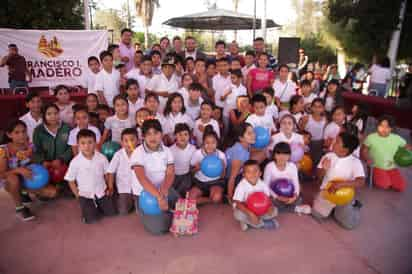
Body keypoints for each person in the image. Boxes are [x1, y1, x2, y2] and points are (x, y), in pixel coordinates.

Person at [0, 120, 57, 221]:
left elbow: (35, 164)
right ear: (9, 134)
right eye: (17, 132)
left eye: (24, 131)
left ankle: (23, 193)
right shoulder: (3, 150)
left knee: (52, 192)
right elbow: (2, 174)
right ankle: (20, 208)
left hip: (26, 179)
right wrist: (19, 170)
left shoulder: (30, 146)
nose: (21, 135)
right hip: (10, 181)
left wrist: (44, 164)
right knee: (13, 179)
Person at [131, 119, 178, 235]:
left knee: (181, 206)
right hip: (145, 194)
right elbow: (142, 178)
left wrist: (165, 189)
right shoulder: (138, 153)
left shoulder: (167, 151)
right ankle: (148, 211)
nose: (153, 137)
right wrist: (159, 197)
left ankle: (167, 211)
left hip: (163, 189)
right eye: (148, 134)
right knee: (161, 229)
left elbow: (170, 173)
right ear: (143, 137)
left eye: (156, 133)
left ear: (161, 134)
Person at [313, 132, 365, 229]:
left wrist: (341, 185)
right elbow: (319, 177)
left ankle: (354, 206)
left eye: (337, 142)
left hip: (343, 196)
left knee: (348, 225)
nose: (333, 142)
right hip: (327, 192)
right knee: (317, 215)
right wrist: (323, 169)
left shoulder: (355, 162)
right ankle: (333, 209)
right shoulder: (328, 156)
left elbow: (361, 182)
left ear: (345, 149)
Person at [65, 129, 117, 224]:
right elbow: (70, 180)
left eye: (90, 142)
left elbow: (107, 174)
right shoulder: (75, 162)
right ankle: (88, 210)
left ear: (95, 142)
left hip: (101, 191)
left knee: (111, 213)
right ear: (78, 145)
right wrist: (78, 195)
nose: (87, 146)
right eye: (83, 143)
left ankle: (98, 205)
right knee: (92, 220)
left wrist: (109, 187)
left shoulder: (102, 158)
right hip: (85, 194)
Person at [362, 115, 411, 192]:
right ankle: (376, 177)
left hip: (392, 167)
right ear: (377, 126)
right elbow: (364, 150)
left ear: (391, 128)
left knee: (401, 187)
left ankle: (385, 178)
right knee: (384, 185)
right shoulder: (371, 137)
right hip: (376, 166)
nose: (384, 129)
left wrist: (407, 155)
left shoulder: (396, 138)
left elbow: (407, 147)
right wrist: (367, 158)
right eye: (381, 126)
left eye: (387, 127)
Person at [264, 142, 310, 214]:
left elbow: (296, 183)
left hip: (289, 194)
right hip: (274, 195)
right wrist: (277, 197)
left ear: (289, 156)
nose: (282, 157)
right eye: (278, 154)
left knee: (299, 199)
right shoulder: (270, 166)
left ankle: (283, 208)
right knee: (269, 201)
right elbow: (265, 186)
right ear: (274, 155)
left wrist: (294, 197)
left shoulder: (292, 166)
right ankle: (295, 209)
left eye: (285, 154)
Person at [233, 159, 278, 231]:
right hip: (246, 209)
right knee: (237, 214)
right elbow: (237, 203)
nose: (252, 174)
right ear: (244, 175)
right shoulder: (241, 186)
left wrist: (270, 206)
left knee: (275, 211)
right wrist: (250, 213)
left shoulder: (263, 184)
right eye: (249, 172)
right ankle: (262, 223)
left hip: (260, 208)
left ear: (260, 173)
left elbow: (269, 198)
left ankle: (249, 223)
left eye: (255, 171)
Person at [107, 128, 142, 215]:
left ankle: (136, 203)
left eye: (132, 140)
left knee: (141, 212)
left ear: (138, 141)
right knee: (123, 211)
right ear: (121, 143)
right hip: (124, 188)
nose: (129, 143)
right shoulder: (118, 155)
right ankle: (122, 200)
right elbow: (111, 172)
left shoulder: (141, 153)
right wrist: (110, 187)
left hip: (139, 188)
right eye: (125, 140)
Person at [189, 127, 226, 205]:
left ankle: (209, 199)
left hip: (216, 182)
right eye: (207, 143)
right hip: (200, 183)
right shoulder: (197, 153)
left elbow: (223, 176)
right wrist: (197, 169)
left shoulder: (221, 155)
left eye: (213, 143)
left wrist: (222, 168)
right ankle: (209, 200)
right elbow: (191, 172)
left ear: (217, 143)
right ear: (203, 143)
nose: (210, 145)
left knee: (217, 197)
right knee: (190, 198)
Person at [225, 123, 255, 200]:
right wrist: (230, 196)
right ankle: (229, 195)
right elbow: (232, 177)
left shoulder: (246, 144)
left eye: (253, 132)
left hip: (240, 174)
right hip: (229, 180)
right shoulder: (239, 152)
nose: (253, 135)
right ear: (241, 138)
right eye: (249, 133)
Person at [170, 123, 196, 196]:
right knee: (172, 191)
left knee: (184, 188)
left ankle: (181, 199)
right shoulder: (170, 150)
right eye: (180, 134)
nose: (183, 137)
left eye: (185, 134)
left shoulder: (193, 149)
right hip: (174, 176)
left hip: (187, 175)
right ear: (175, 136)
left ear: (189, 136)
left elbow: (193, 166)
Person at [299, 98, 327, 165]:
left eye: (319, 107)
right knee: (305, 161)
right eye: (314, 106)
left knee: (316, 162)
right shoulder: (306, 118)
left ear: (323, 108)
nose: (317, 109)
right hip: (307, 143)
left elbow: (325, 133)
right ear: (311, 107)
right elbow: (301, 131)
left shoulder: (325, 120)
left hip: (319, 144)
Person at [220, 69, 247, 134]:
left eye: (233, 78)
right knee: (226, 129)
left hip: (237, 114)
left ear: (240, 78)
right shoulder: (228, 87)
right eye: (231, 78)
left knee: (235, 130)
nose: (232, 79)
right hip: (226, 113)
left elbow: (244, 102)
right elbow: (221, 99)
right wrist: (227, 94)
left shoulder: (243, 89)